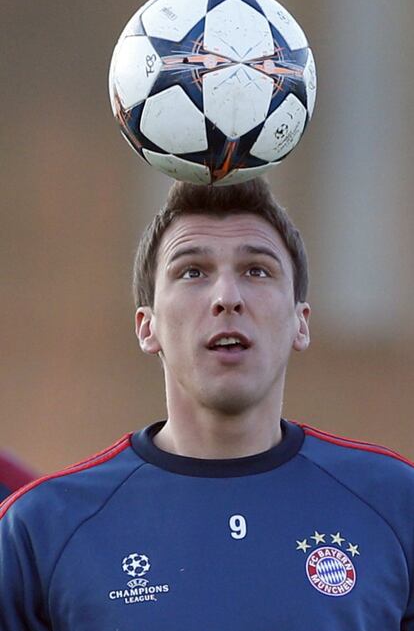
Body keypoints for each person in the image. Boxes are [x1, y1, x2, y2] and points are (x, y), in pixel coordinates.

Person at [1, 177, 413, 630]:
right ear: (146, 326)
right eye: (192, 271)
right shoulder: (40, 530)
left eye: (257, 270)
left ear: (301, 322)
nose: (227, 298)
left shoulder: (395, 504)